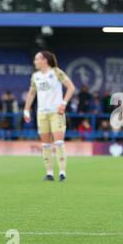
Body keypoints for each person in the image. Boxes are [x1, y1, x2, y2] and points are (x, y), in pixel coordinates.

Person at [23, 51, 76, 182]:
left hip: (56, 113)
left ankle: (62, 173)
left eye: (37, 59)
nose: (35, 61)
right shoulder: (35, 76)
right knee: (45, 144)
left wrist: (64, 103)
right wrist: (26, 109)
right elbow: (31, 93)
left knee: (58, 142)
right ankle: (49, 173)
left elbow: (71, 87)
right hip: (42, 113)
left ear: (44, 60)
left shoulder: (56, 72)